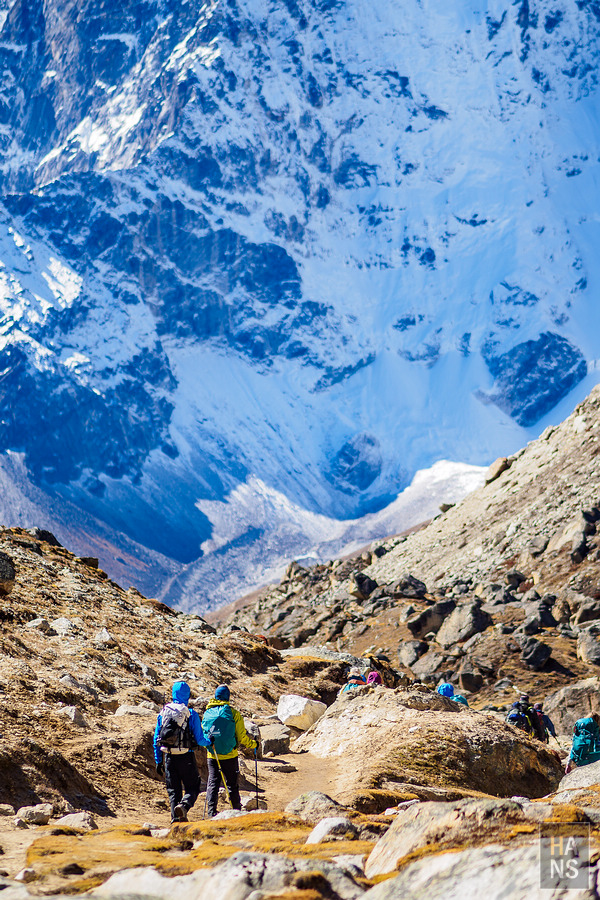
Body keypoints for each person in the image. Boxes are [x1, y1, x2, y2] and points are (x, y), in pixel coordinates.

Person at [154, 680, 211, 823]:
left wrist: (158, 761)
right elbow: (199, 740)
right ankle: (184, 806)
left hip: (168, 757)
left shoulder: (164, 712)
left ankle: (176, 821)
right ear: (187, 695)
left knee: (173, 792)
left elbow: (157, 738)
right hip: (186, 756)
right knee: (193, 786)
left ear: (173, 693)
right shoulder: (191, 713)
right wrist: (210, 741)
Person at [201, 685, 257, 818]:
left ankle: (211, 812)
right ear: (228, 697)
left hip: (212, 754)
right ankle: (236, 811)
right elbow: (242, 737)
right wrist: (254, 744)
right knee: (232, 784)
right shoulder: (234, 713)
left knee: (213, 783)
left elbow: (203, 733)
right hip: (230, 755)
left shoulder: (207, 712)